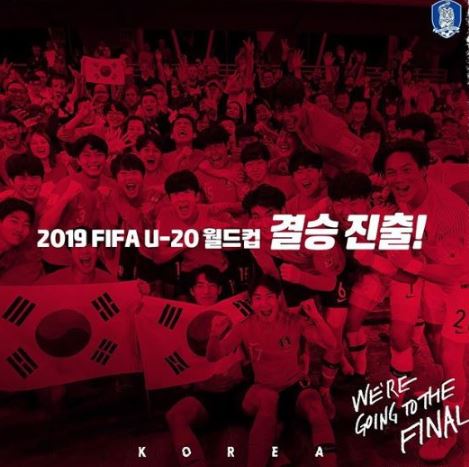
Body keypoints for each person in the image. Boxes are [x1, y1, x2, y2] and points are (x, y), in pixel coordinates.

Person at [374, 139, 469, 462]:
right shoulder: (398, 200)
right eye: (391, 173)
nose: (399, 179)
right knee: (434, 339)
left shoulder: (450, 212)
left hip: (461, 282)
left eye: (407, 170)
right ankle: (451, 393)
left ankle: (450, 430)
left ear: (424, 170)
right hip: (433, 274)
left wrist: (409, 264)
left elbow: (459, 272)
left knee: (453, 357)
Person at [208, 274, 338, 467]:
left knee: (315, 407)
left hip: (293, 386)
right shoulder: (245, 326)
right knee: (269, 399)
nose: (264, 303)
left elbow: (331, 344)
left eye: (269, 297)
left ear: (278, 299)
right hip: (263, 388)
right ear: (252, 303)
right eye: (257, 298)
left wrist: (317, 317)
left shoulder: (293, 321)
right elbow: (214, 355)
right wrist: (214, 334)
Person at [165, 265, 250, 467]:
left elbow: (254, 356)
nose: (206, 291)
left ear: (220, 289)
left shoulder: (236, 313)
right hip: (204, 394)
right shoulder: (179, 321)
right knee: (175, 416)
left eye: (212, 285)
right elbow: (173, 368)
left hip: (238, 389)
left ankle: (275, 457)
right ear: (192, 291)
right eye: (200, 286)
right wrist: (199, 384)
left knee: (269, 401)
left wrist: (241, 373)